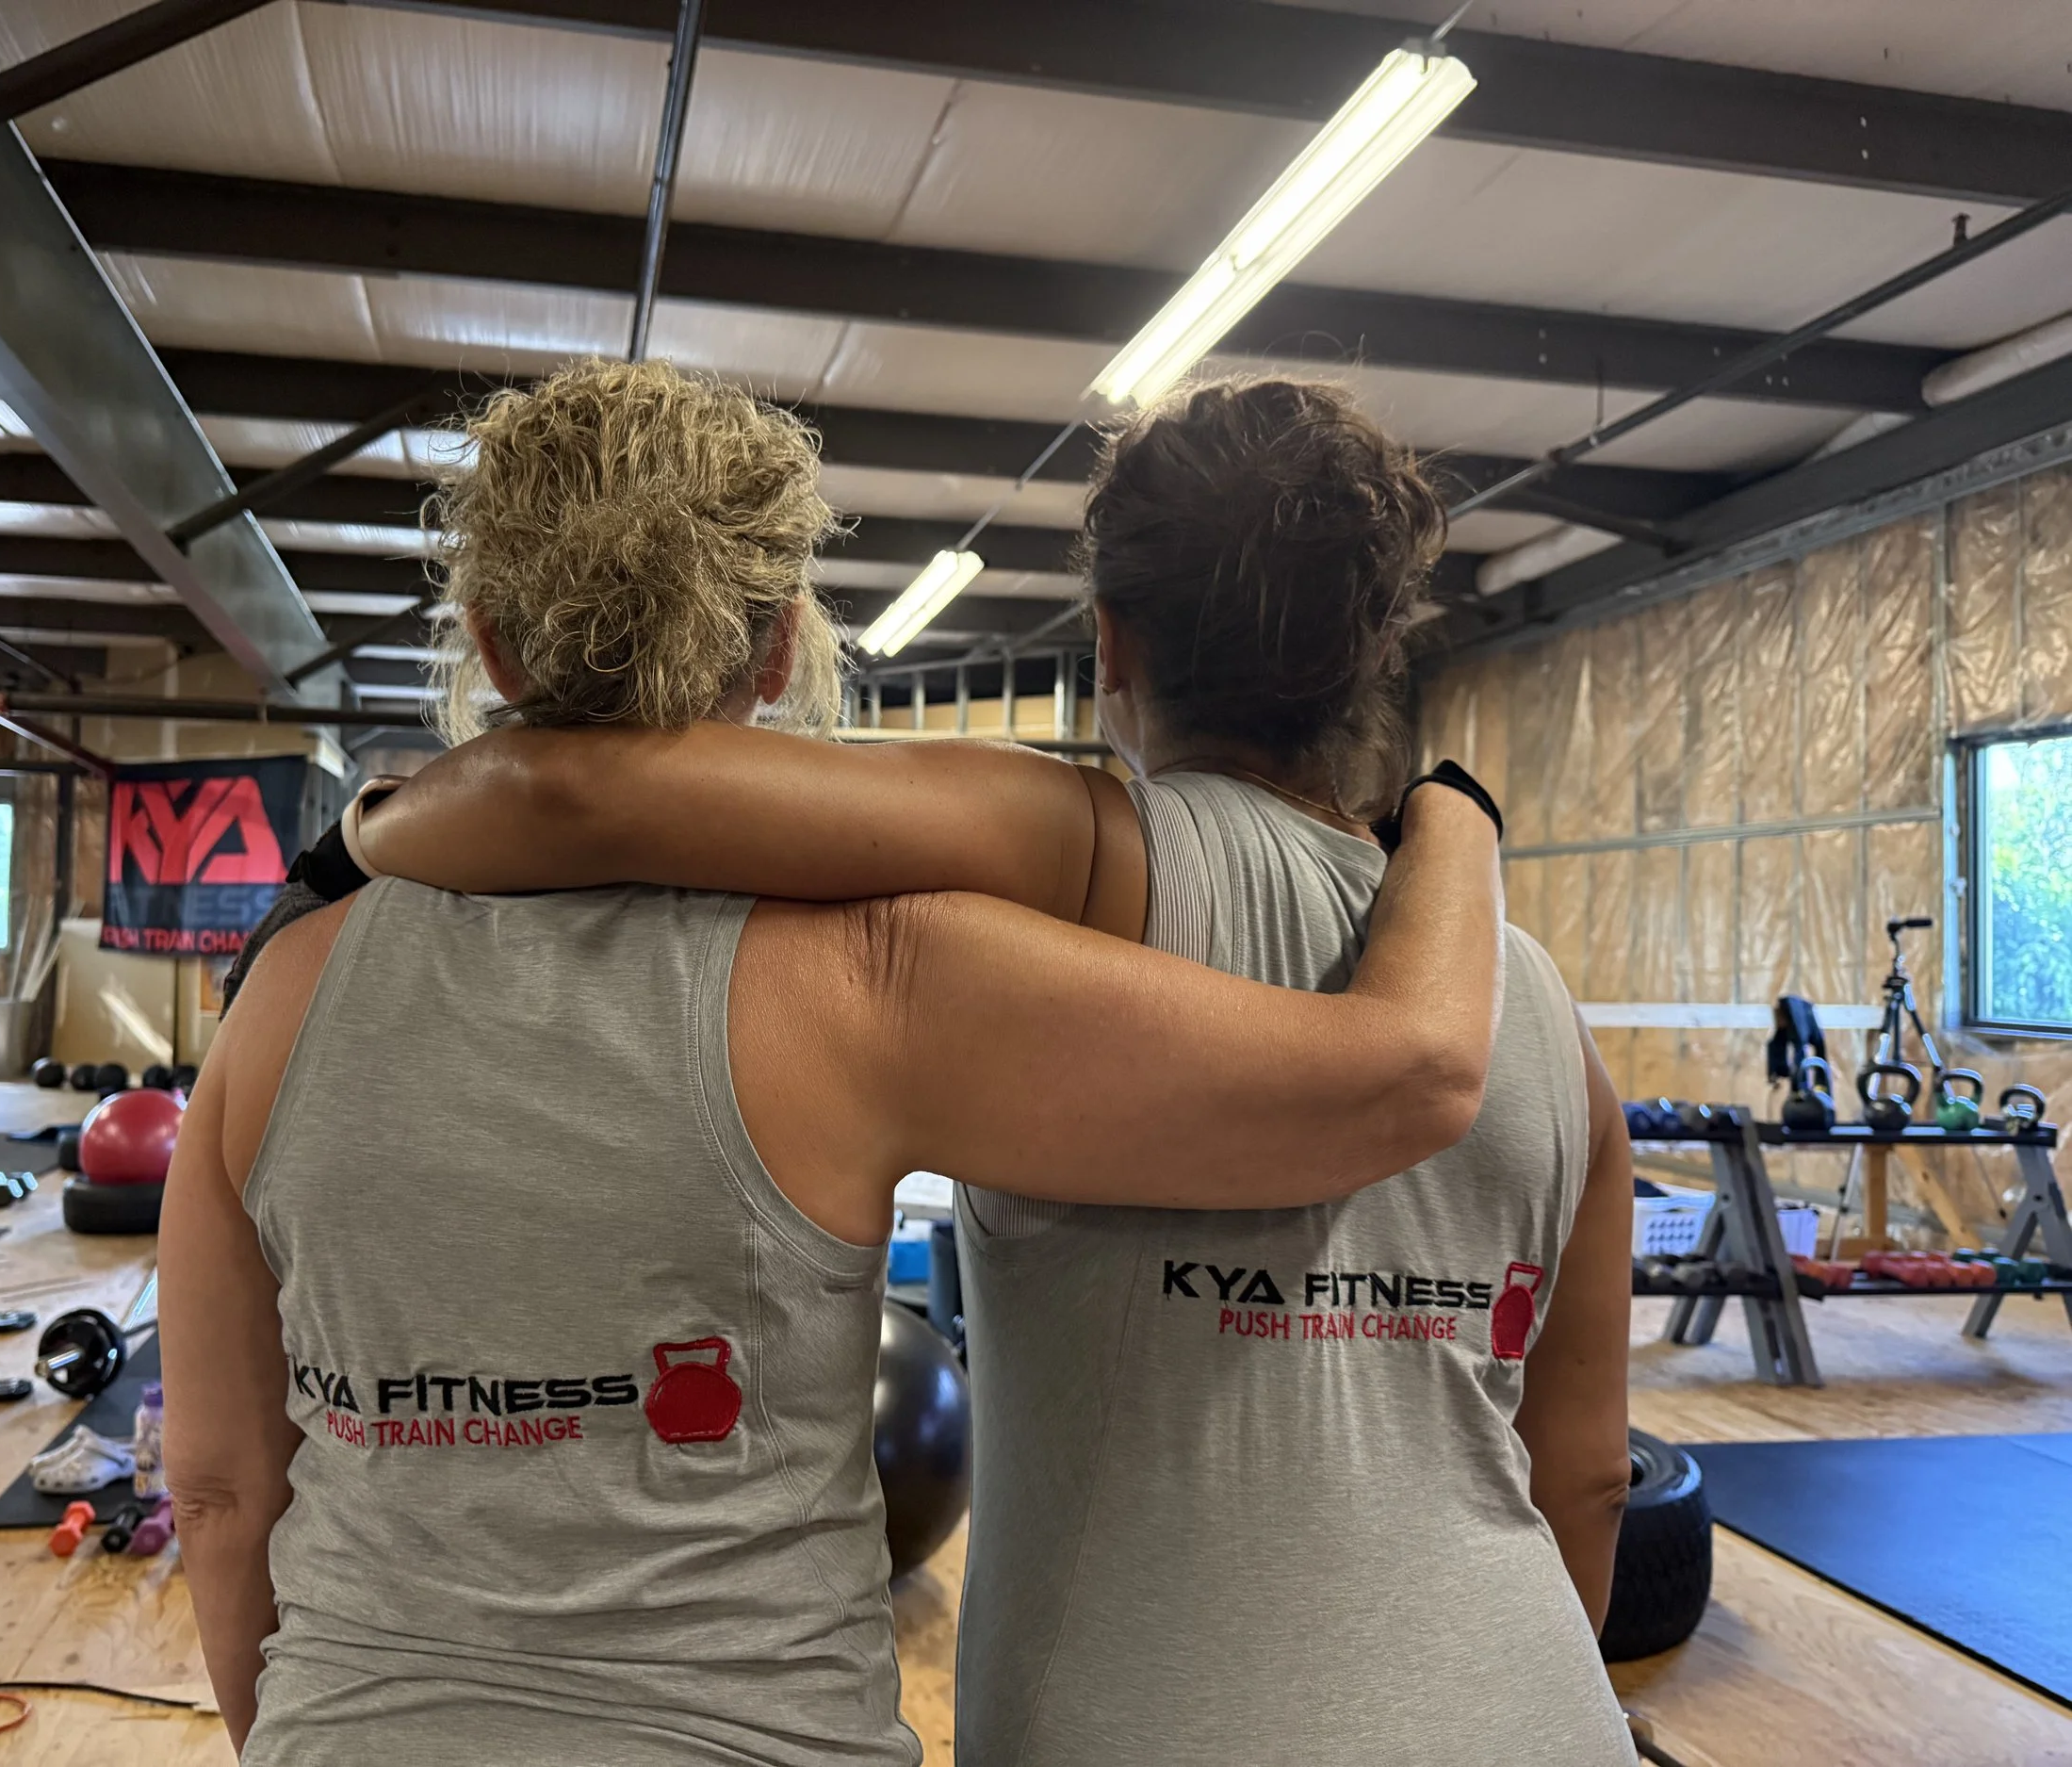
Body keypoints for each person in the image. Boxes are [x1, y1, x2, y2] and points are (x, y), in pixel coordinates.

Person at [160, 359, 1508, 1766]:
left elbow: (216, 1493)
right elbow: (1393, 1076)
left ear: (489, 647)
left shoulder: (273, 1006)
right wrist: (1455, 823)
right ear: (773, 647)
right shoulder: (879, 973)